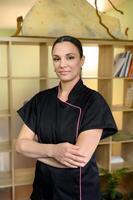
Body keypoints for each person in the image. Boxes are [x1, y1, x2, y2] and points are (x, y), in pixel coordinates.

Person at [16, 35, 118, 200]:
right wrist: (54, 151)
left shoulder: (93, 102)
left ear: (82, 60)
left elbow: (78, 160)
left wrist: (35, 150)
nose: (62, 64)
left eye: (70, 57)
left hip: (77, 191)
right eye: (57, 59)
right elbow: (20, 145)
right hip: (43, 189)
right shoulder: (41, 100)